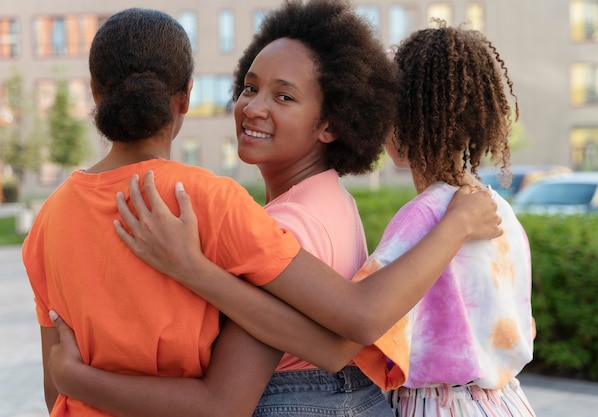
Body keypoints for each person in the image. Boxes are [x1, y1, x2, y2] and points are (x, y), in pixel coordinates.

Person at [38, 3, 500, 417]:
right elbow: (338, 343)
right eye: (249, 87)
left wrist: (74, 378)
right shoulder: (326, 197)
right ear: (185, 98)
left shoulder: (50, 221)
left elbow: (234, 396)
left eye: (283, 96)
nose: (252, 107)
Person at [350, 21, 537, 416]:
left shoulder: (423, 216)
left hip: (438, 405)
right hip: (507, 402)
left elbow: (361, 317)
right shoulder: (501, 210)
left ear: (402, 119)